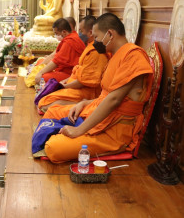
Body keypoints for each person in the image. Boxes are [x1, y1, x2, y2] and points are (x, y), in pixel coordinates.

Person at [41, 13, 153, 163]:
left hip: (114, 129)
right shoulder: (115, 55)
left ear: (110, 34)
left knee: (53, 148)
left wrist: (79, 130)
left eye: (97, 37)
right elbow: (106, 95)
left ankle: (66, 135)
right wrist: (84, 103)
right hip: (100, 110)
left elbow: (113, 99)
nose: (95, 42)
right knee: (52, 111)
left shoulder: (133, 57)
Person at [38, 15, 109, 111]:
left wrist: (64, 86)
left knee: (45, 103)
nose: (79, 34)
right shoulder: (89, 46)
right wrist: (66, 81)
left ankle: (85, 105)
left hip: (87, 92)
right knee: (44, 99)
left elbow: (86, 81)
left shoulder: (96, 52)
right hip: (73, 81)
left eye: (81, 31)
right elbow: (79, 69)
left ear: (91, 32)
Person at [34, 18, 85, 84]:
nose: (56, 36)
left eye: (56, 33)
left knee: (43, 77)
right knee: (40, 62)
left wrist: (40, 72)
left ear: (64, 32)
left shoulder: (69, 41)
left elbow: (56, 62)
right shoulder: (71, 37)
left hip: (69, 73)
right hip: (63, 67)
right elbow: (56, 57)